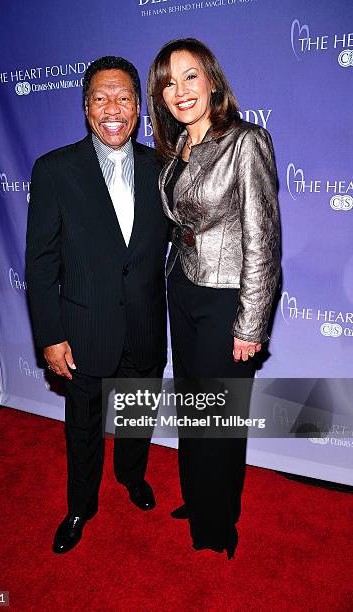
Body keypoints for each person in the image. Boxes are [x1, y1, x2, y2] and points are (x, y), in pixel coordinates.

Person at [26, 56, 169, 554]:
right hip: (84, 329)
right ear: (87, 108)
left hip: (147, 326)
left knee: (135, 416)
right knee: (83, 429)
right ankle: (80, 506)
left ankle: (131, 476)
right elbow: (41, 265)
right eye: (102, 98)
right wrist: (49, 335)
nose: (114, 108)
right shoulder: (55, 171)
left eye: (124, 98)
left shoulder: (163, 167)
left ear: (139, 110)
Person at [147, 38, 281, 558]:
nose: (179, 90)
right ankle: (200, 497)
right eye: (168, 82)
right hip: (182, 288)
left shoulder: (246, 142)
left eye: (190, 77)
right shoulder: (178, 147)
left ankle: (218, 522)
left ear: (213, 81)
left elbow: (263, 238)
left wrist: (250, 323)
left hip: (226, 298)